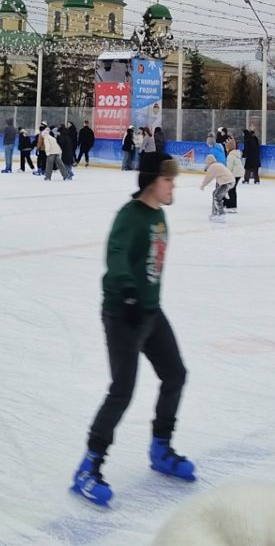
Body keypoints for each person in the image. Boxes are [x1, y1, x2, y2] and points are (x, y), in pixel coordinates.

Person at [71, 153, 191, 508]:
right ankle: (87, 469)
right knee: (122, 390)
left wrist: (143, 300)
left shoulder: (159, 216)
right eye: (169, 180)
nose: (173, 187)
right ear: (153, 180)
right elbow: (118, 252)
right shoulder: (130, 217)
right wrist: (126, 290)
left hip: (150, 313)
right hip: (123, 314)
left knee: (175, 375)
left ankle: (160, 448)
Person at [199, 154, 235, 222]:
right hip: (228, 182)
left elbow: (208, 177)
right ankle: (215, 213)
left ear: (208, 161)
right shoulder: (218, 165)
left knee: (216, 196)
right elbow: (222, 178)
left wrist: (202, 185)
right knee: (215, 193)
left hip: (227, 183)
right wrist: (225, 192)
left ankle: (221, 214)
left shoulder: (213, 166)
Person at [224, 144, 244, 212]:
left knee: (230, 190)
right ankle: (231, 206)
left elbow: (229, 167)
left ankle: (231, 206)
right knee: (232, 189)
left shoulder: (230, 156)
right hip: (238, 174)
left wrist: (225, 175)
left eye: (226, 148)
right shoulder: (236, 154)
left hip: (234, 174)